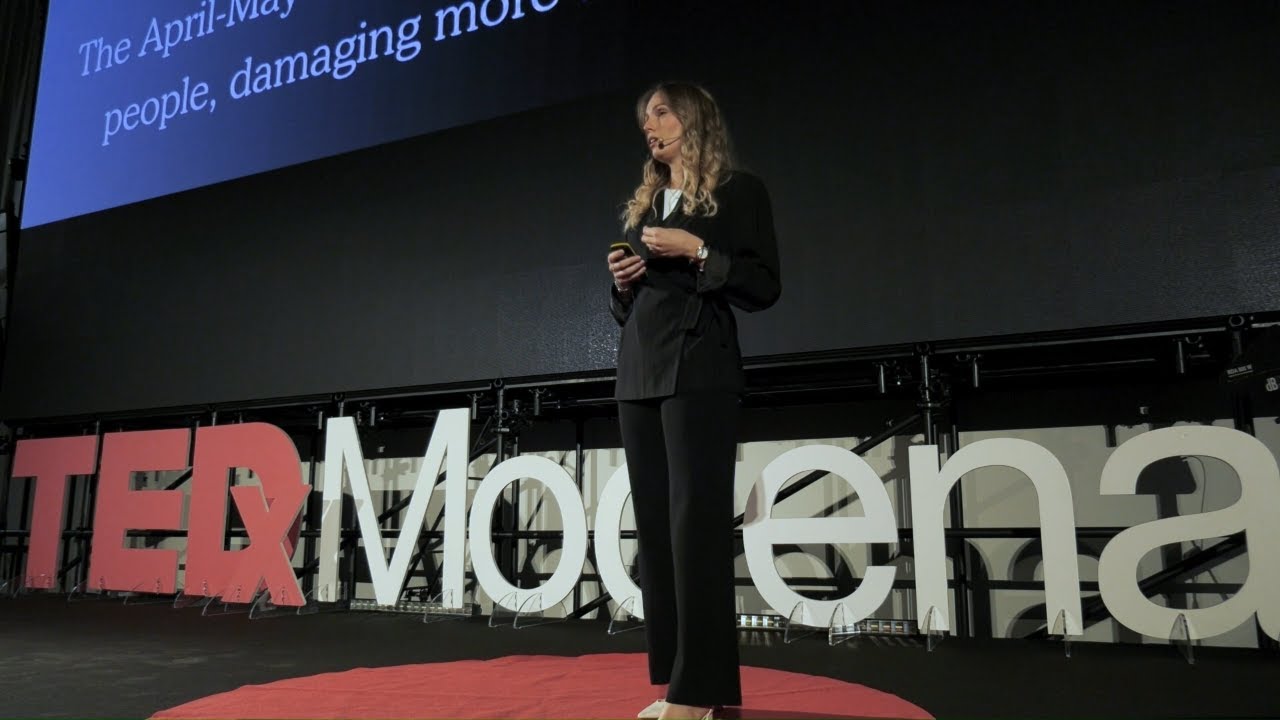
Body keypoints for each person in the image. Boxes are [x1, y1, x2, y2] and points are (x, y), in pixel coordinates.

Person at [606, 81, 782, 720]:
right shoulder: (646, 204)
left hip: (700, 366)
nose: (649, 126)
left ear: (692, 117)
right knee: (657, 532)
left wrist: (700, 250)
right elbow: (629, 309)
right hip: (639, 371)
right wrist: (622, 284)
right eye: (644, 119)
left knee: (695, 531)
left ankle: (698, 691)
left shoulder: (740, 191)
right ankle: (677, 685)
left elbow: (763, 285)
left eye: (660, 112)